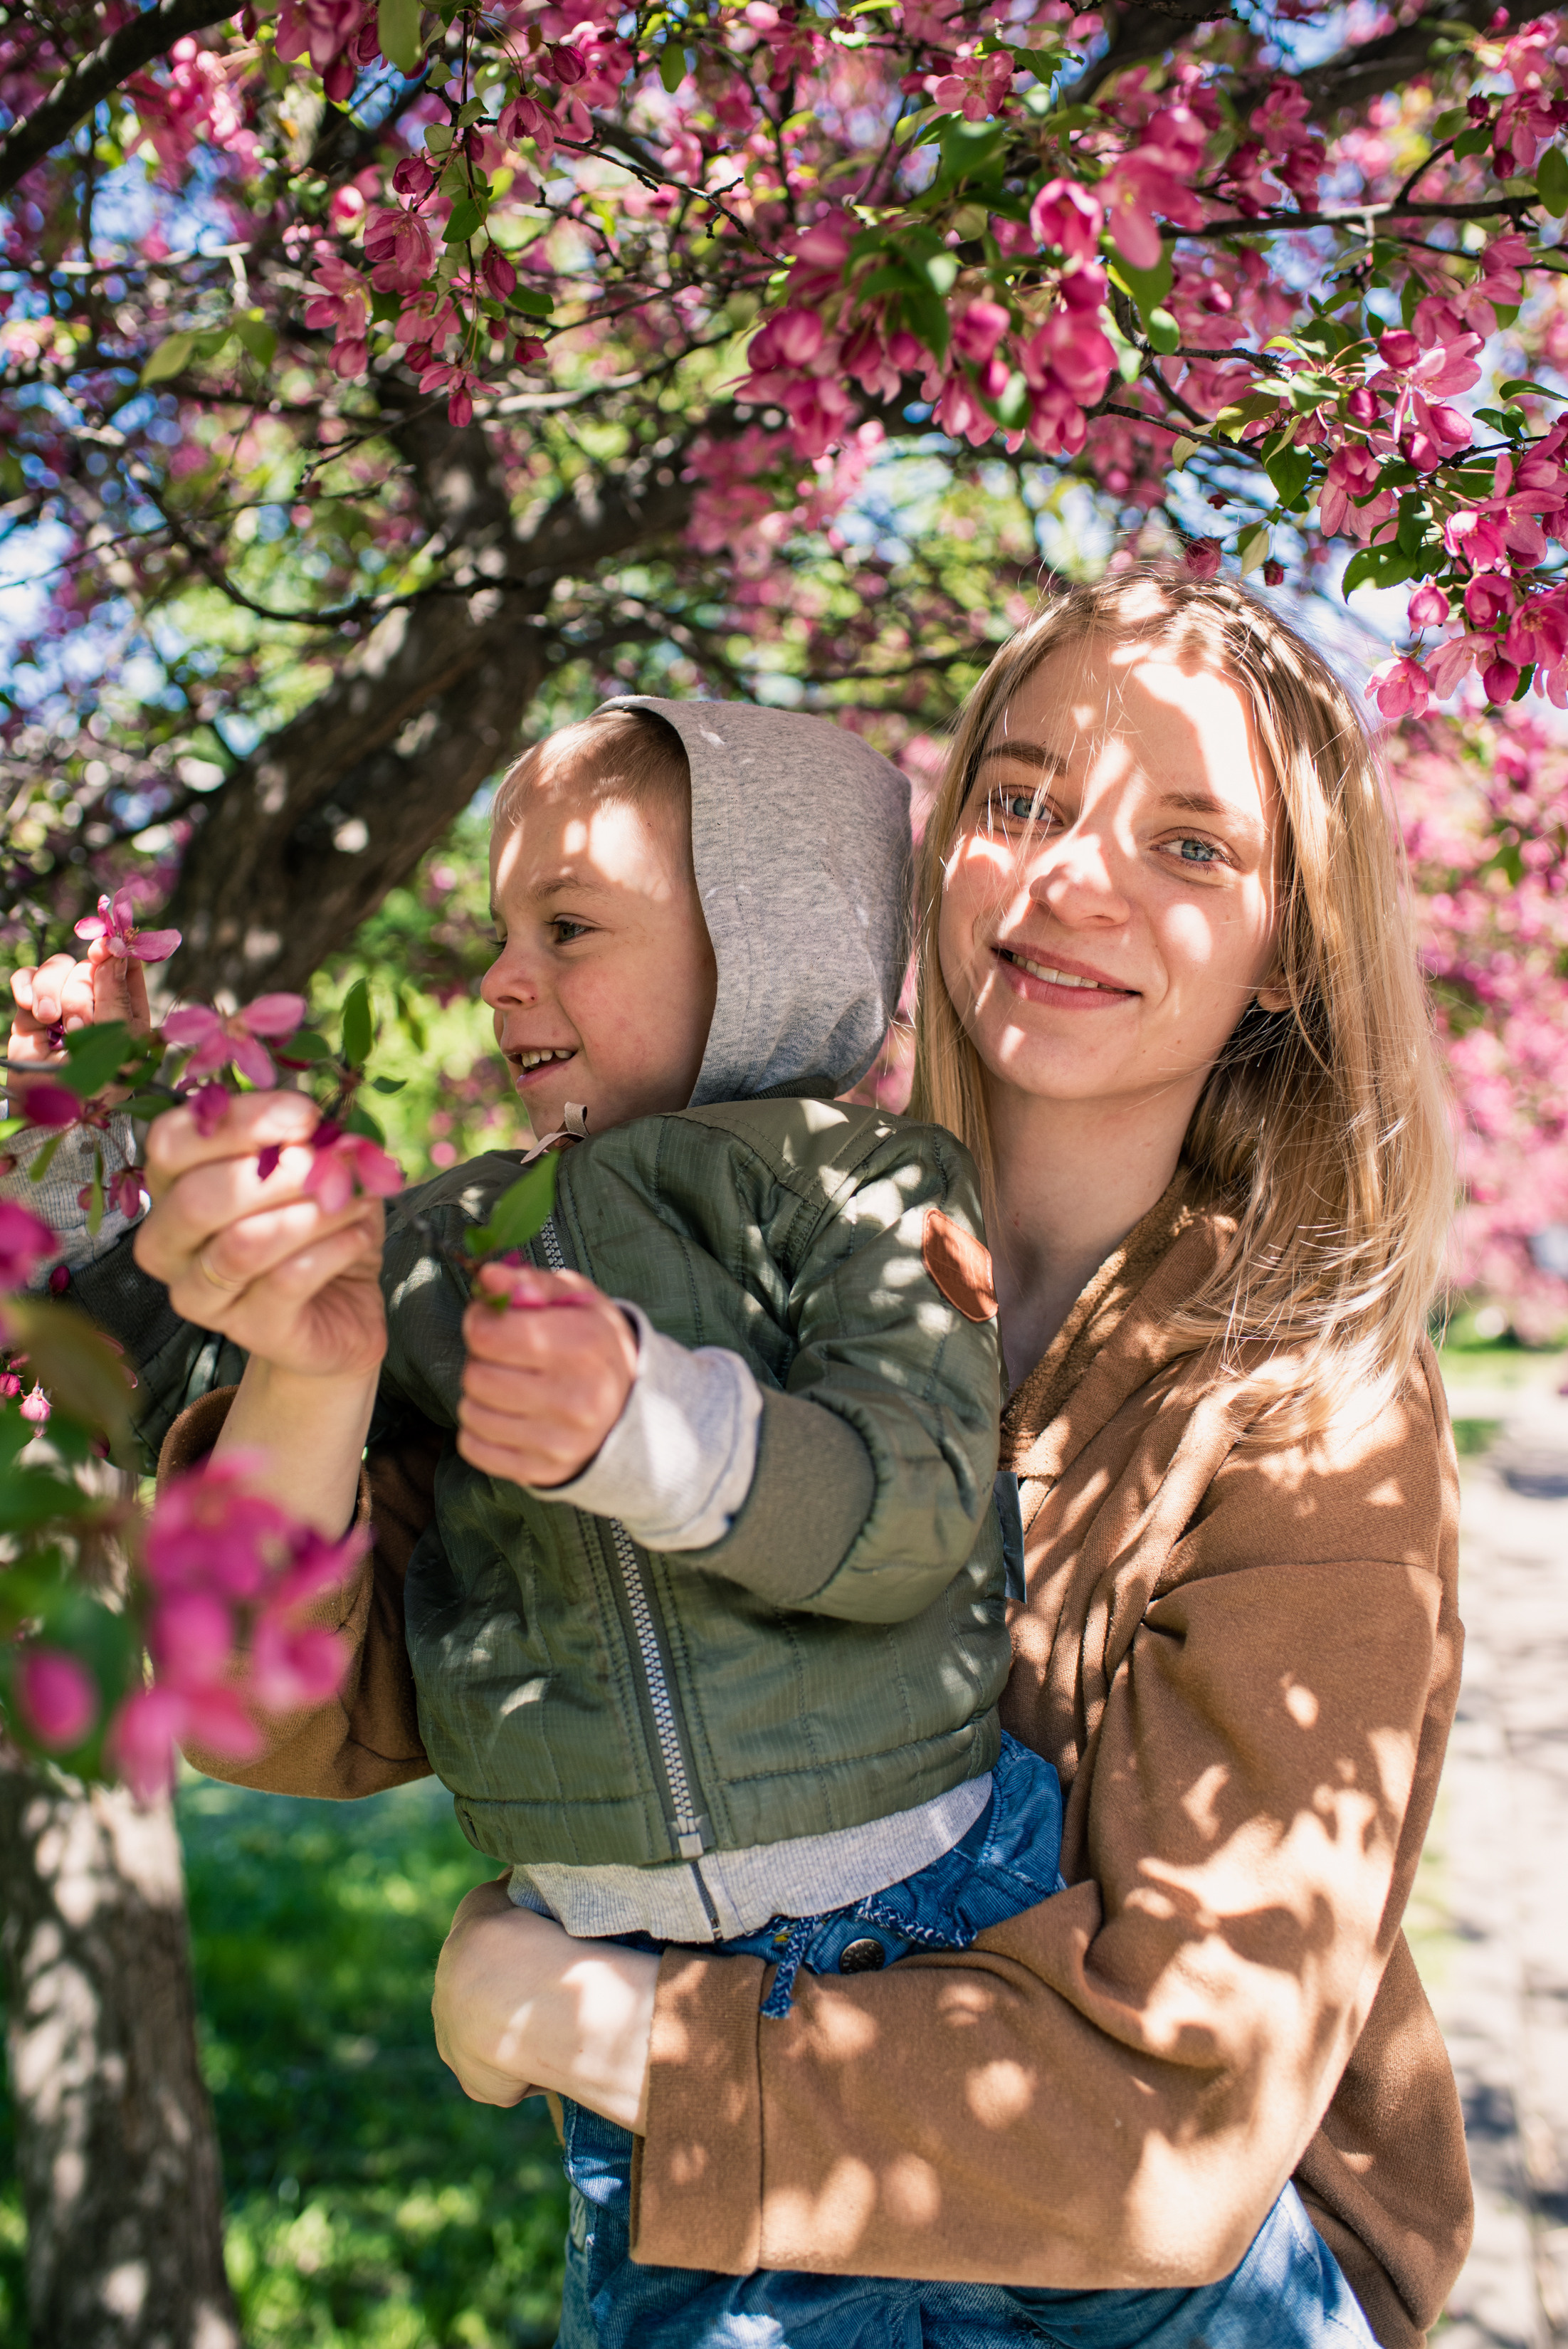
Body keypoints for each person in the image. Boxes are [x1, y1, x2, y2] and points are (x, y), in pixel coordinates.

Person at [9, 571, 1469, 2343]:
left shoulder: (1312, 1414)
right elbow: (264, 1711)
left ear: (1285, 955)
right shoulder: (702, 1254)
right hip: (755, 2235)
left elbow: (1171, 2140)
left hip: (1173, 2287)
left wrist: (586, 2025)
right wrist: (307, 1384)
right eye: (1020, 800)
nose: (1074, 876)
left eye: (1190, 845)